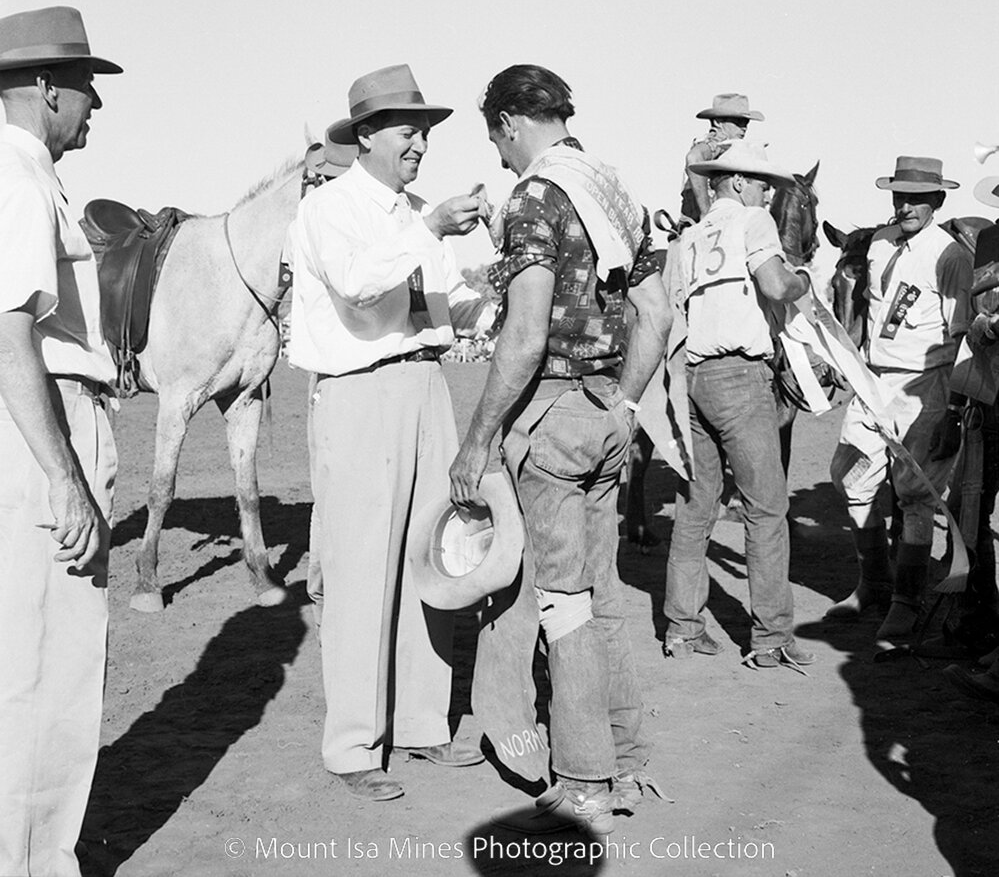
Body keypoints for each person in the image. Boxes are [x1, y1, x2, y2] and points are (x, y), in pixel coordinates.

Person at [450, 64, 670, 833]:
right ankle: (629, 759)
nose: (500, 158)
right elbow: (656, 310)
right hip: (608, 410)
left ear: (509, 123)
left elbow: (523, 333)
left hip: (550, 414)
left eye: (496, 141)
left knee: (563, 603)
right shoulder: (613, 189)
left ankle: (584, 779)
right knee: (602, 595)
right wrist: (627, 399)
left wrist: (475, 441)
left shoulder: (536, 196)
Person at [288, 63, 493, 802]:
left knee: (430, 552)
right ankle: (352, 745)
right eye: (409, 130)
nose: (420, 144)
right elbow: (354, 284)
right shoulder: (329, 208)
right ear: (367, 134)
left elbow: (452, 303)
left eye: (427, 132)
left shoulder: (414, 214)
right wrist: (428, 227)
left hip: (425, 384)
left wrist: (506, 280)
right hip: (358, 393)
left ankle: (420, 723)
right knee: (361, 565)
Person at [0, 6, 121, 877]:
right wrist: (65, 477)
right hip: (45, 420)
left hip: (36, 417)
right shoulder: (16, 177)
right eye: (86, 87)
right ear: (46, 89)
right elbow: (9, 331)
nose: (94, 106)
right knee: (48, 667)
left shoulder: (25, 173)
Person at [662, 141, 816, 669]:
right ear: (736, 182)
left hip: (694, 375)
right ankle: (771, 636)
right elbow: (775, 284)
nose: (768, 191)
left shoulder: (688, 238)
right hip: (741, 375)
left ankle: (682, 627)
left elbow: (671, 309)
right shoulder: (754, 221)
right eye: (761, 181)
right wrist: (804, 280)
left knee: (695, 508)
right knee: (767, 508)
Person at [827, 156, 971, 641]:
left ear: (939, 201)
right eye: (900, 195)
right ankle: (873, 582)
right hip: (872, 379)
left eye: (918, 198)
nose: (906, 205)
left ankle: (907, 602)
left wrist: (952, 407)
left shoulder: (950, 256)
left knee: (914, 495)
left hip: (923, 382)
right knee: (847, 474)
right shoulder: (880, 243)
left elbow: (961, 333)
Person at [681, 93, 764, 222]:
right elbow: (694, 158)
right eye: (737, 121)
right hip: (703, 224)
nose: (744, 127)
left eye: (746, 122)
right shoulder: (718, 141)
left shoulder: (727, 145)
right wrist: (706, 213)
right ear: (718, 122)